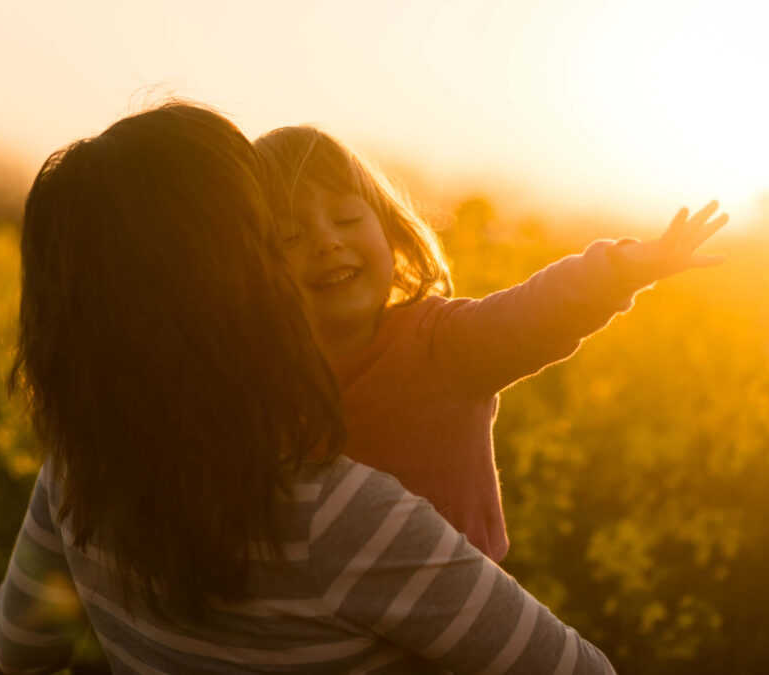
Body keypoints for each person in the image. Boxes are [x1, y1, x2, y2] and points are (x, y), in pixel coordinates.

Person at [0, 102, 616, 673]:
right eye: (275, 239)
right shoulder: (344, 522)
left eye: (346, 217)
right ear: (234, 286)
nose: (319, 246)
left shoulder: (77, 472)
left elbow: (20, 650)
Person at [253, 126, 728, 561]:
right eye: (291, 234)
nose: (326, 242)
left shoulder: (440, 343)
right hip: (335, 623)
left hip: (459, 618)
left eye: (347, 219)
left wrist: (621, 269)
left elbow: (531, 312)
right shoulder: (261, 379)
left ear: (392, 234)